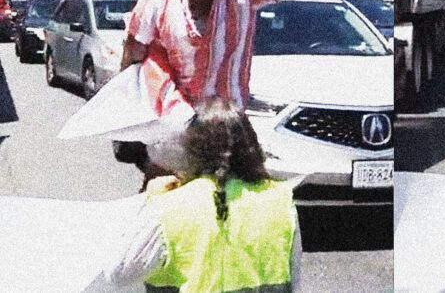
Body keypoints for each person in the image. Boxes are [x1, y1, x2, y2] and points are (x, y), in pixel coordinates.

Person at [112, 0, 359, 182]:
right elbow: (132, 62)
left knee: (239, 219)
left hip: (230, 139)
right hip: (172, 141)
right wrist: (126, 126)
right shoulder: (156, 0)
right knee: (168, 219)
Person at [104, 97, 302, 292]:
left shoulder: (168, 208)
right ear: (251, 145)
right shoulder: (281, 202)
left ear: (191, 149)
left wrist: (147, 202)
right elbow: (293, 281)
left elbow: (117, 273)